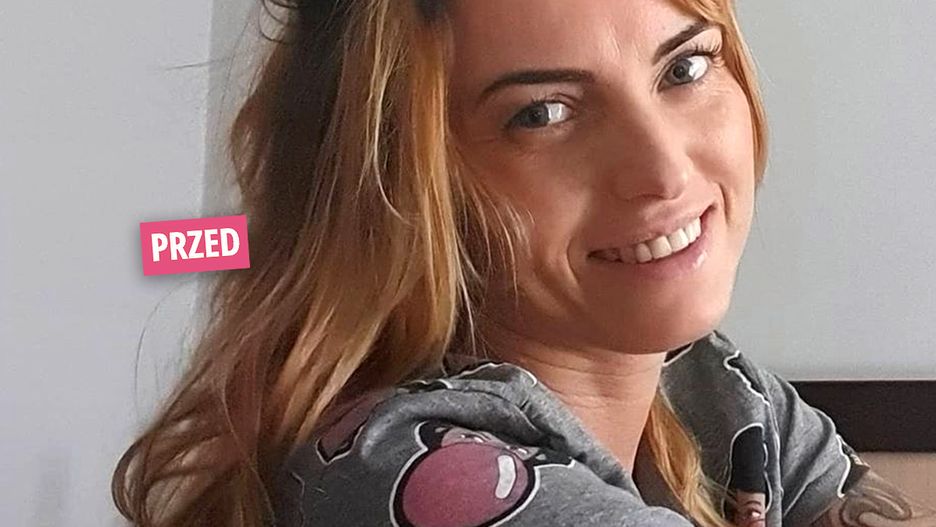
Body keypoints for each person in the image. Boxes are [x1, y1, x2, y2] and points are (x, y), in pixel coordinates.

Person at [111, 0, 936, 526]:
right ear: (397, 186)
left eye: (684, 67)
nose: (663, 170)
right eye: (542, 114)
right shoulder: (413, 468)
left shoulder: (719, 395)